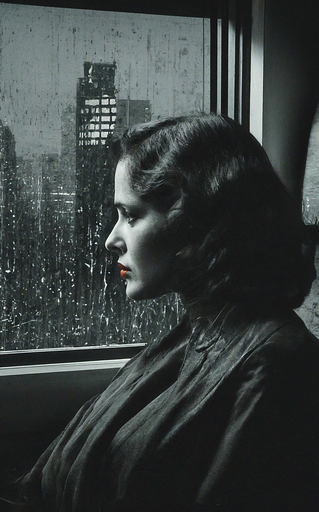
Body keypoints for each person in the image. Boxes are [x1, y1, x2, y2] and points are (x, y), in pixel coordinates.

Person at [19, 114, 319, 511]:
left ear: (195, 220)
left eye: (131, 215)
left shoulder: (274, 363)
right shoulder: (193, 335)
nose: (112, 240)